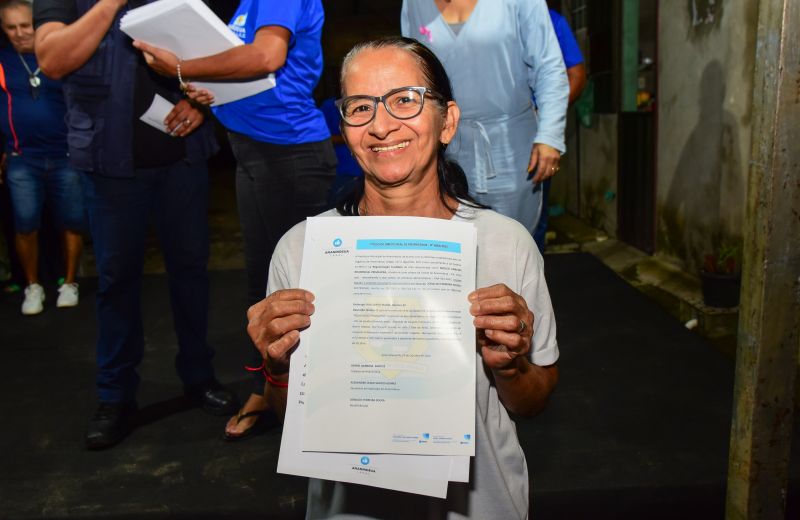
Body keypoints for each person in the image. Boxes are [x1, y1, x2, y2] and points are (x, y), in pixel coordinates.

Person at [246, 36, 559, 518]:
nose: (382, 124)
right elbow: (293, 418)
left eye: (405, 100)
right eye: (360, 107)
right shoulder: (304, 249)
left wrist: (511, 365)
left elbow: (533, 402)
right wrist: (279, 367)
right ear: (344, 126)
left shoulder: (504, 243)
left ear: (447, 121)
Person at [33, 0, 237, 449]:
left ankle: (199, 377)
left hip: (183, 156)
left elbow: (223, 49)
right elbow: (52, 60)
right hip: (110, 167)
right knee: (116, 281)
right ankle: (116, 395)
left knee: (191, 272)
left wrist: (201, 100)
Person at [132, 0, 337, 441]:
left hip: (289, 156)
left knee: (298, 290)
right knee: (263, 285)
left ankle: (316, 401)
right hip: (252, 151)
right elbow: (244, 73)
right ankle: (271, 388)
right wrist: (202, 90)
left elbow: (266, 57)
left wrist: (182, 68)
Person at [401, 0, 569, 236]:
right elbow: (411, 75)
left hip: (511, 146)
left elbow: (549, 67)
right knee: (452, 246)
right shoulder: (413, 4)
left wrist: (550, 135)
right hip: (445, 147)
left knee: (515, 243)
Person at [0, 0, 84, 315]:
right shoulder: (3, 61)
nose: (20, 33)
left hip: (65, 155)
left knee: (73, 221)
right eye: (11, 27)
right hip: (22, 158)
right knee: (25, 224)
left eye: (26, 25)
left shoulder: (59, 57)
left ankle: (70, 282)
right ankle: (32, 286)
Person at [532, 2, 587, 252]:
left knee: (535, 218)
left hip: (534, 135)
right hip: (479, 133)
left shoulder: (551, 20)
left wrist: (548, 121)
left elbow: (576, 74)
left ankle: (530, 286)